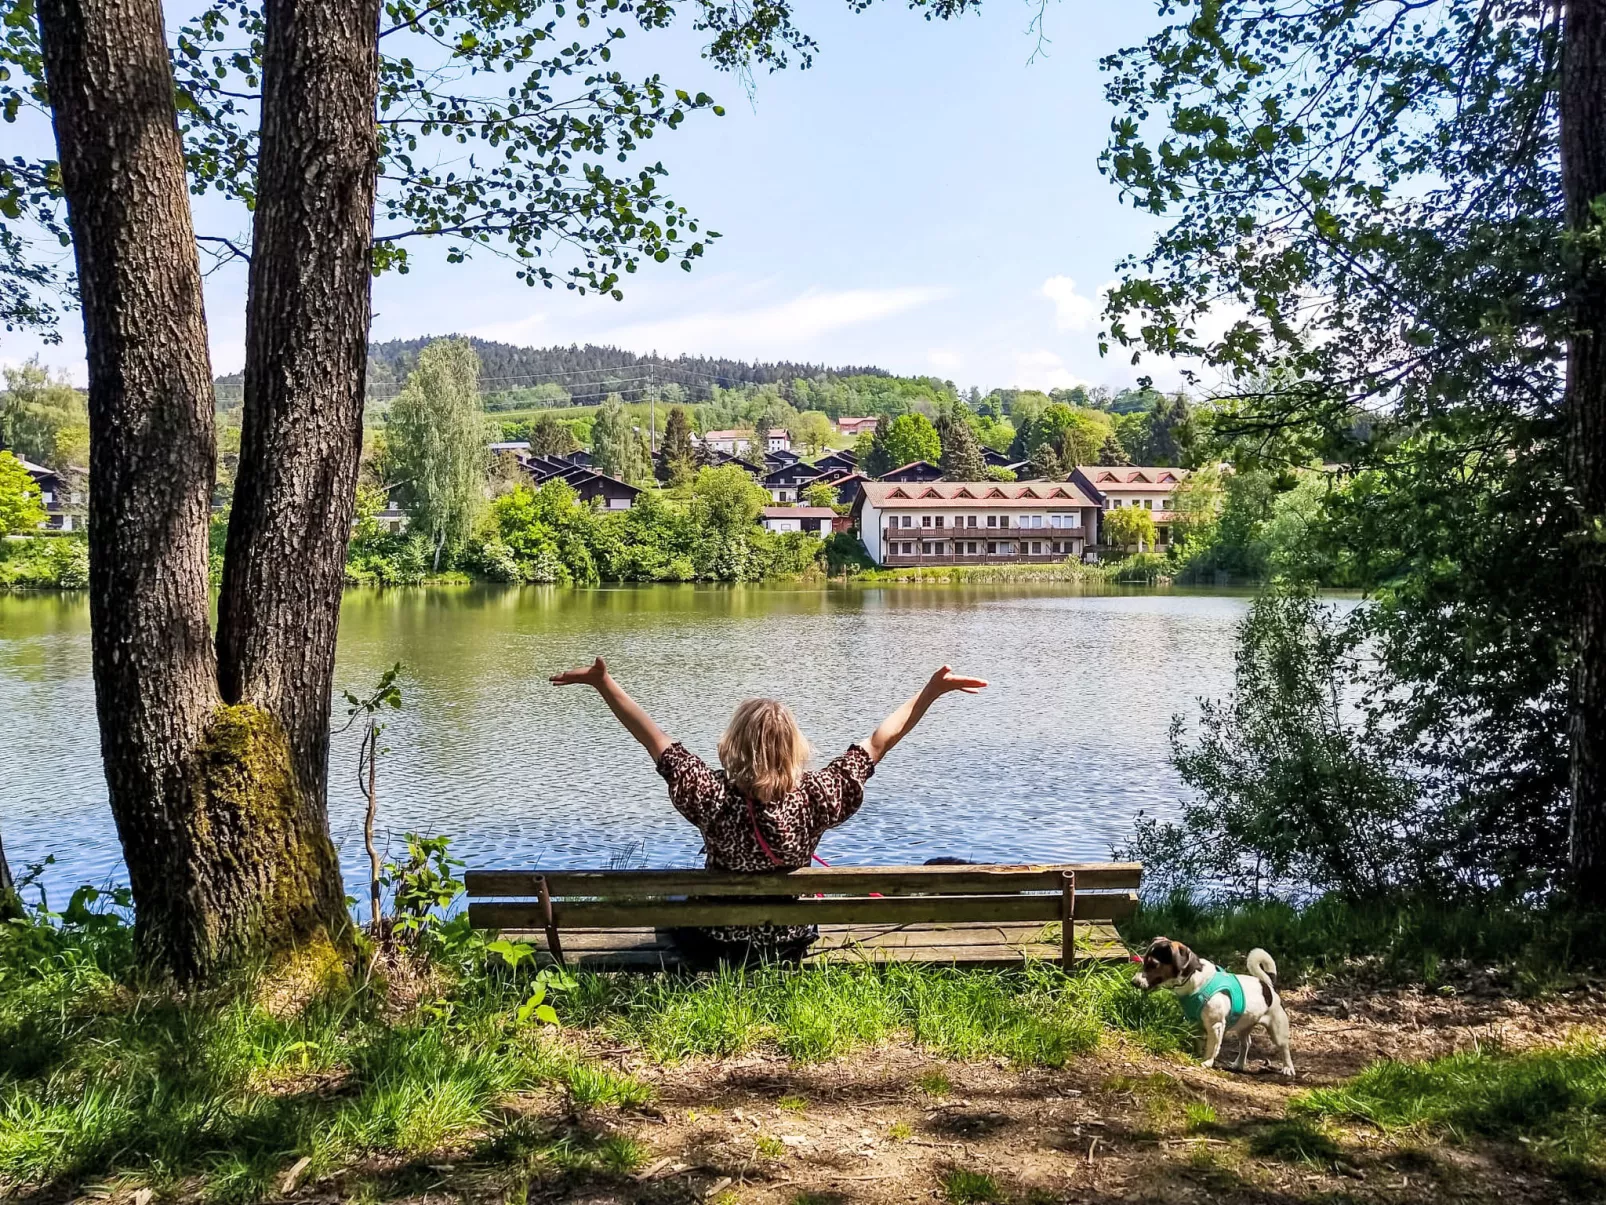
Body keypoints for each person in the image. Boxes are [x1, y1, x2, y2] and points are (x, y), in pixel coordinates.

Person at [549, 659, 988, 967]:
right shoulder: (821, 794)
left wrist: (605, 684)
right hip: (789, 942)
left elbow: (654, 738)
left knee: (674, 909)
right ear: (794, 745)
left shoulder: (709, 794)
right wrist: (931, 691)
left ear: (734, 742)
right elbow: (880, 741)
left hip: (714, 945)